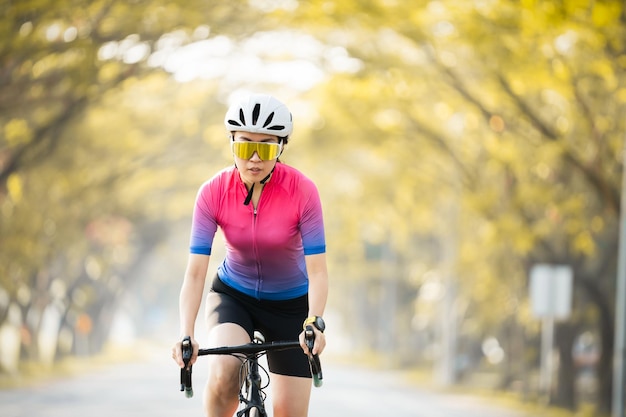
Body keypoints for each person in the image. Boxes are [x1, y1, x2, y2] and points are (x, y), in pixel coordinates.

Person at [172, 93, 329, 417]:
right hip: (234, 296)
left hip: (290, 306)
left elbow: (318, 272)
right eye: (245, 146)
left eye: (266, 147)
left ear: (281, 148)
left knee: (289, 412)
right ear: (232, 143)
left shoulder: (303, 191)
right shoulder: (213, 192)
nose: (255, 158)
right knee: (224, 372)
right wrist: (186, 334)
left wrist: (314, 323)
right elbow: (195, 273)